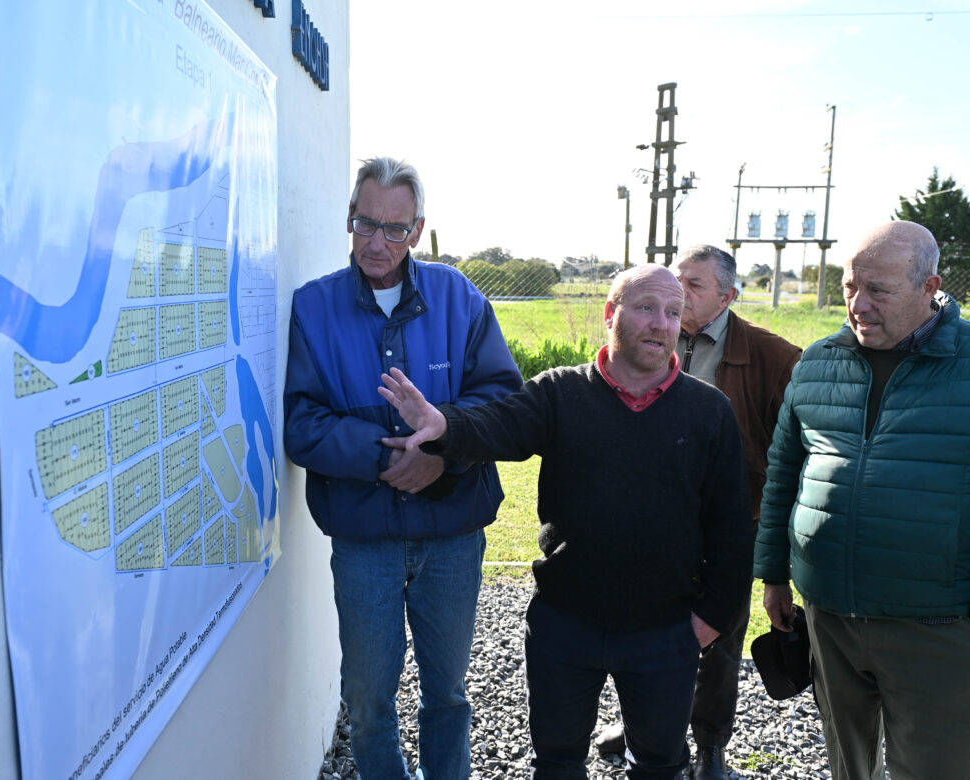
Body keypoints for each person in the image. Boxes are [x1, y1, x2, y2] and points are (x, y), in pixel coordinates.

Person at [379, 264, 753, 779]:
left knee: (660, 765)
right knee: (556, 762)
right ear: (610, 314)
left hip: (665, 629)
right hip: (565, 622)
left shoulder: (709, 411)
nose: (661, 325)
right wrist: (446, 425)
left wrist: (706, 623)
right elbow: (501, 425)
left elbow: (733, 529)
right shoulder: (560, 393)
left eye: (673, 312)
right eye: (645, 307)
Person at [755, 220, 970, 780]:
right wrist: (775, 575)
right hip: (832, 619)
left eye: (879, 290)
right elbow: (784, 477)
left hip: (942, 625)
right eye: (849, 287)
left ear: (929, 286)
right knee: (850, 767)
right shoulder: (819, 361)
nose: (859, 305)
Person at [283, 157, 522, 780]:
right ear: (349, 218)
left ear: (418, 230)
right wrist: (385, 459)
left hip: (452, 537)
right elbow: (301, 421)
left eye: (394, 229)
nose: (377, 242)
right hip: (364, 541)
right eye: (365, 224)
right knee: (367, 702)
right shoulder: (312, 309)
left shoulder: (459, 298)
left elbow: (503, 400)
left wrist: (438, 452)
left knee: (447, 694)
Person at [594, 245, 800, 779]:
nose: (677, 294)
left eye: (695, 285)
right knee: (643, 624)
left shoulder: (771, 356)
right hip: (651, 521)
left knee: (719, 639)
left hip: (729, 522)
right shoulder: (648, 334)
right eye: (675, 278)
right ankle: (641, 725)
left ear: (728, 297)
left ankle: (709, 742)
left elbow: (796, 446)